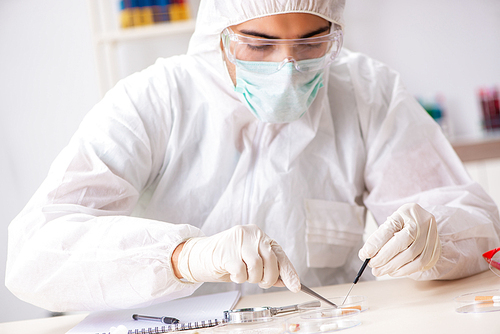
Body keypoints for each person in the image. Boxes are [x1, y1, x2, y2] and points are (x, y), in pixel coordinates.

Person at [6, 0, 500, 313]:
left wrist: (437, 238)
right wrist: (183, 257)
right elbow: (35, 253)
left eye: (311, 43)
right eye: (259, 44)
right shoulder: (154, 99)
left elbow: (475, 219)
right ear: (220, 34)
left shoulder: (367, 92)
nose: (287, 68)